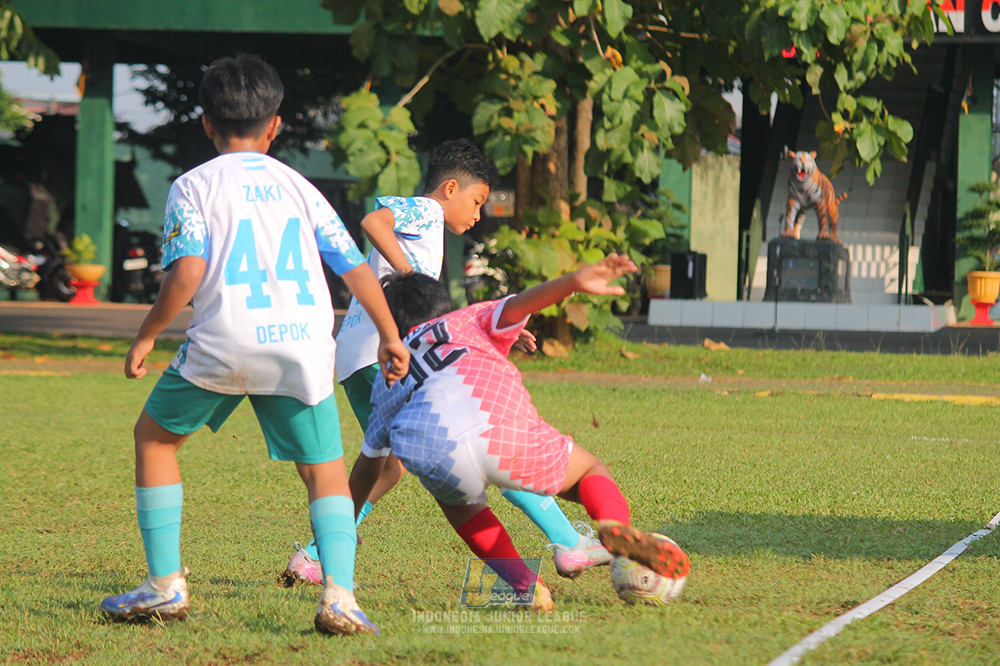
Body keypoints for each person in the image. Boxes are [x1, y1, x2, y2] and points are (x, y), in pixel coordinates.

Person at [98, 54, 409, 637]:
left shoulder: (192, 185)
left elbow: (187, 273)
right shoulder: (301, 187)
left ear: (208, 125)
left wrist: (146, 334)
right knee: (325, 473)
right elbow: (353, 268)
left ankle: (165, 586)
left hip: (221, 340)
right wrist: (391, 334)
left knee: (155, 439)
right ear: (275, 126)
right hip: (299, 347)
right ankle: (340, 596)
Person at [283, 139, 611, 588]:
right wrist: (408, 275)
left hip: (361, 353)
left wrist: (499, 335)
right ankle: (569, 540)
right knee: (486, 436)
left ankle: (319, 555)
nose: (477, 214)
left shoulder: (430, 231)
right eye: (477, 201)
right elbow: (373, 221)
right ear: (450, 187)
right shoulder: (428, 211)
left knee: (391, 465)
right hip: (389, 347)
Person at [351, 255, 691, 608]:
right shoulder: (466, 318)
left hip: (434, 448)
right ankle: (611, 524)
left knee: (461, 507)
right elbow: (519, 304)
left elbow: (367, 467)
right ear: (444, 305)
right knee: (589, 469)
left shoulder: (388, 375)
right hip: (500, 426)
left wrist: (342, 522)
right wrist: (574, 280)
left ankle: (527, 587)